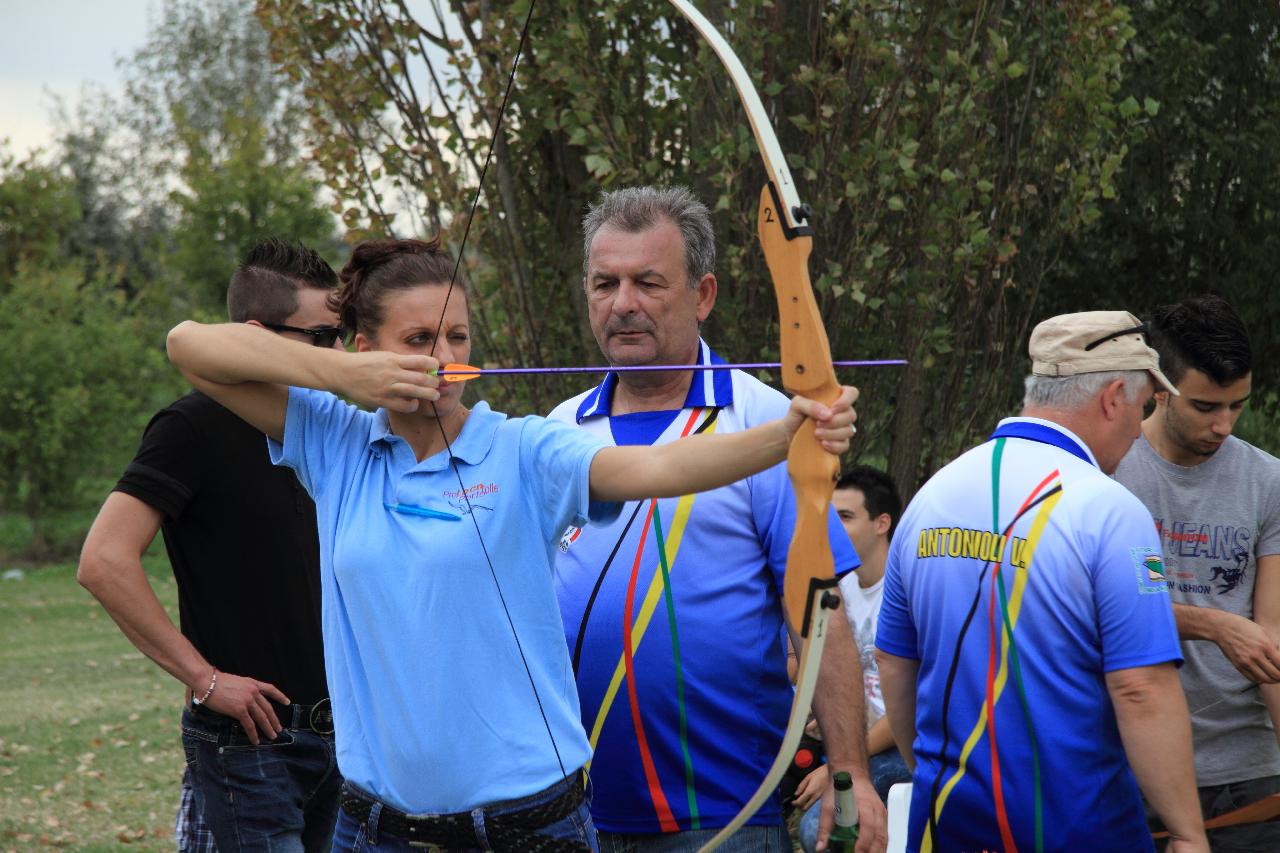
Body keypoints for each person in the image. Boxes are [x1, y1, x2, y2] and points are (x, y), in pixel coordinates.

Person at [162, 236, 858, 853]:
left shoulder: (525, 448)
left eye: (458, 338)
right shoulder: (336, 441)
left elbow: (659, 468)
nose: (444, 358)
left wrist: (783, 436)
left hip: (528, 825)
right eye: (418, 340)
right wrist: (348, 379)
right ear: (366, 349)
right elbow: (189, 345)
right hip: (377, 826)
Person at [550, 185, 887, 853]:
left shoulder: (764, 420)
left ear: (702, 294)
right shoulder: (560, 429)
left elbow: (819, 612)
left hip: (723, 815)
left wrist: (850, 771)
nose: (623, 304)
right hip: (572, 815)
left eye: (649, 282)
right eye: (605, 283)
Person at [875, 311, 1209, 853]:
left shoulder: (931, 495)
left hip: (946, 821)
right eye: (1144, 406)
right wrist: (1190, 834)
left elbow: (893, 659)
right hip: (1077, 829)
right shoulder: (1110, 511)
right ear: (1113, 397)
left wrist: (934, 770)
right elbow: (1141, 687)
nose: (1140, 430)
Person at [77, 239, 346, 852]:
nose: (339, 355)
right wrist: (206, 680)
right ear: (254, 334)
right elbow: (103, 561)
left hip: (350, 737)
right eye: (323, 337)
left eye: (342, 334)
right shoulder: (191, 427)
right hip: (250, 742)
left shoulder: (330, 428)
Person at [1113, 295, 1280, 851]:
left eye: (1237, 406)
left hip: (1251, 771)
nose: (1225, 425)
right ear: (1159, 387)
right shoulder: (1107, 472)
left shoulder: (1267, 481)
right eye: (1207, 406)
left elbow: (1270, 637)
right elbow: (1096, 607)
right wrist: (1214, 623)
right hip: (1132, 764)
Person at [798, 466, 910, 853]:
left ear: (882, 524)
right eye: (830, 516)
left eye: (844, 517)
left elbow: (906, 713)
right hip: (846, 735)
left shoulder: (907, 589)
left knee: (820, 831)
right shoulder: (840, 584)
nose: (832, 527)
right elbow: (805, 665)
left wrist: (836, 767)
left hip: (898, 747)